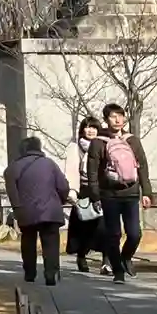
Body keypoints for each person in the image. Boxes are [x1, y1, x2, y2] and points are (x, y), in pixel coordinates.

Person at [90, 102, 153, 280]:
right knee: (113, 234)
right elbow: (92, 171)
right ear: (105, 119)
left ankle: (126, 257)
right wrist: (95, 195)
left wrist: (147, 192)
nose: (118, 120)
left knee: (134, 234)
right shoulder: (98, 142)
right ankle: (117, 270)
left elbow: (143, 167)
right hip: (109, 195)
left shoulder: (133, 140)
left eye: (121, 116)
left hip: (131, 193)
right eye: (113, 116)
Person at [4, 135, 73, 288]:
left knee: (28, 240)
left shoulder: (13, 168)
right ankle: (51, 274)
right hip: (50, 210)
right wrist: (60, 200)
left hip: (26, 211)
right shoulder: (50, 164)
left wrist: (17, 208)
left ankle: (30, 273)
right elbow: (63, 186)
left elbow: (12, 192)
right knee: (51, 242)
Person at [67, 116, 105, 273]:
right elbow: (71, 170)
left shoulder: (104, 145)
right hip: (83, 190)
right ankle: (81, 255)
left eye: (94, 127)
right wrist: (72, 191)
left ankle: (107, 261)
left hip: (103, 189)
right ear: (82, 130)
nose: (90, 130)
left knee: (105, 226)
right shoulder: (76, 148)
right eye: (87, 127)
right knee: (84, 227)